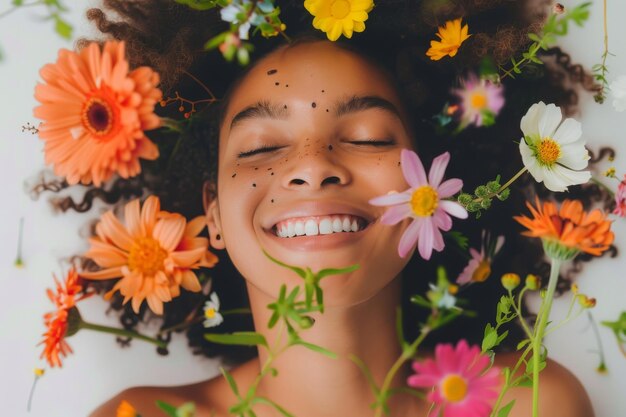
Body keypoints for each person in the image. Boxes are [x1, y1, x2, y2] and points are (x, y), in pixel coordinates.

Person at [64, 1, 604, 416]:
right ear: (215, 213)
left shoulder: (529, 401)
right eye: (259, 148)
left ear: (440, 190)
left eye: (369, 138)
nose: (312, 165)